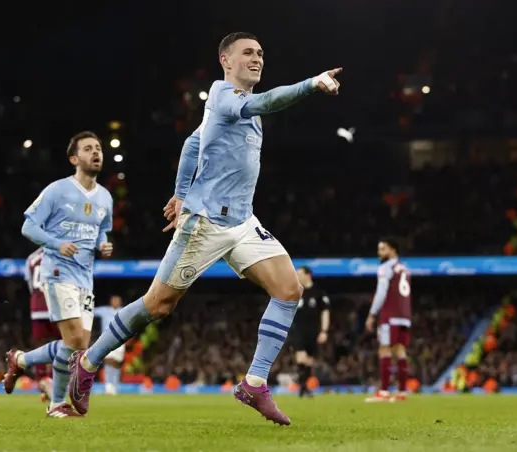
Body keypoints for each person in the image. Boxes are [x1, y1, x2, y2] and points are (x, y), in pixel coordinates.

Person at [68, 32, 342, 426]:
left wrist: (179, 192)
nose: (257, 58)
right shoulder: (224, 96)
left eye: (261, 53)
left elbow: (192, 145)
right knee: (158, 305)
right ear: (225, 61)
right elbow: (266, 101)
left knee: (289, 289)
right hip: (206, 222)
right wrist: (311, 84)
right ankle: (89, 361)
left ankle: (255, 383)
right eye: (247, 52)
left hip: (243, 221)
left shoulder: (228, 109)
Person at [3, 131, 113, 418]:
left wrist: (103, 243)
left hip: (85, 277)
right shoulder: (57, 190)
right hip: (57, 271)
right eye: (88, 149)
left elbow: (103, 228)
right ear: (74, 159)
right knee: (74, 340)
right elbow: (29, 227)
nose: (96, 152)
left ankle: (21, 359)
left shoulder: (105, 197)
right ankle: (55, 405)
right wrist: (56, 243)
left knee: (78, 346)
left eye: (98, 148)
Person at [364, 239, 412, 403]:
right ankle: (402, 392)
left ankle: (384, 392)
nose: (379, 253)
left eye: (383, 249)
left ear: (393, 250)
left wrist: (372, 313)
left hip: (389, 315)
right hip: (404, 316)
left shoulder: (386, 268)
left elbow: (381, 292)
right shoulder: (405, 268)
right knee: (400, 350)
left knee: (384, 349)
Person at [24, 247, 61, 402]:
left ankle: (41, 380)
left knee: (40, 344)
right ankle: (54, 381)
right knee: (60, 344)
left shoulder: (31, 258)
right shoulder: (58, 253)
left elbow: (30, 285)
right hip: (54, 304)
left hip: (37, 305)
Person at [291, 266, 330, 398]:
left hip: (314, 331)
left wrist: (324, 331)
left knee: (309, 360)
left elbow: (325, 312)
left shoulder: (318, 293)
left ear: (308, 275)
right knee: (300, 357)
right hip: (298, 330)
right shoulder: (295, 292)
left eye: (299, 274)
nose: (297, 276)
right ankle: (303, 388)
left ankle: (305, 387)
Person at [94, 295, 125, 395]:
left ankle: (115, 385)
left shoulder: (124, 311)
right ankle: (108, 386)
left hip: (120, 340)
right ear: (111, 302)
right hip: (107, 339)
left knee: (116, 363)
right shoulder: (104, 310)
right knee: (108, 361)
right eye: (114, 301)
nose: (115, 302)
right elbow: (91, 311)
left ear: (120, 302)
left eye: (117, 301)